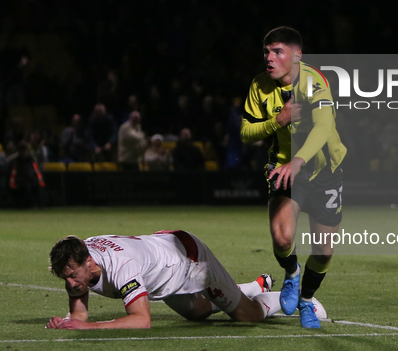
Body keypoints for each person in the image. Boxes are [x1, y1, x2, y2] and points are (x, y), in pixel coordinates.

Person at [240, 27, 346, 328]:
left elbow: (323, 128)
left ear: (297, 56)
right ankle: (291, 273)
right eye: (266, 51)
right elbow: (246, 133)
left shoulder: (314, 82)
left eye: (277, 51)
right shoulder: (259, 86)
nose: (269, 58)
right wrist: (278, 120)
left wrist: (298, 161)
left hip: (324, 171)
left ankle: (306, 299)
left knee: (324, 252)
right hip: (284, 169)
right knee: (282, 236)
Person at [46, 231, 280, 329]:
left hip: (188, 259)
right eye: (65, 278)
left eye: (73, 276)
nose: (71, 284)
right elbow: (78, 314)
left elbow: (142, 320)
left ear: (89, 262)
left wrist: (89, 327)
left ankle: (294, 297)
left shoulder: (121, 267)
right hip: (161, 259)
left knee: (247, 316)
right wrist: (67, 321)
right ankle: (251, 287)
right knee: (196, 312)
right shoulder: (77, 260)